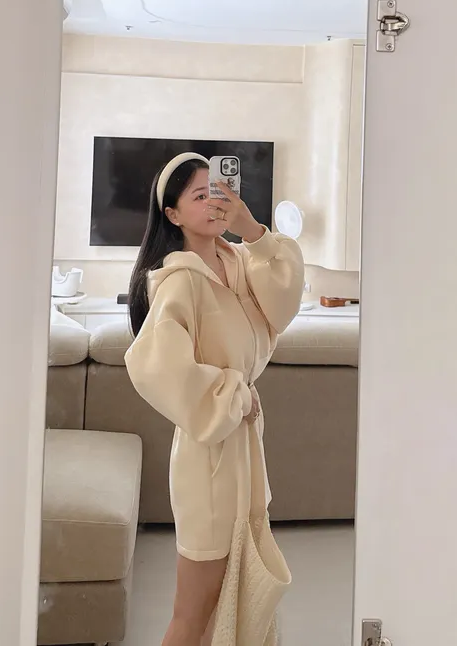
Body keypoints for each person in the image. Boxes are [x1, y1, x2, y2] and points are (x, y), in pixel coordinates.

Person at [125, 153, 304, 646]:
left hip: (244, 454)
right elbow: (154, 365)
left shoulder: (238, 261)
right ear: (173, 214)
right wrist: (234, 397)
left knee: (230, 604)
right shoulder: (180, 281)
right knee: (194, 612)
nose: (213, 202)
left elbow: (283, 301)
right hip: (208, 460)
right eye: (199, 195)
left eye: (218, 191)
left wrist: (252, 231)